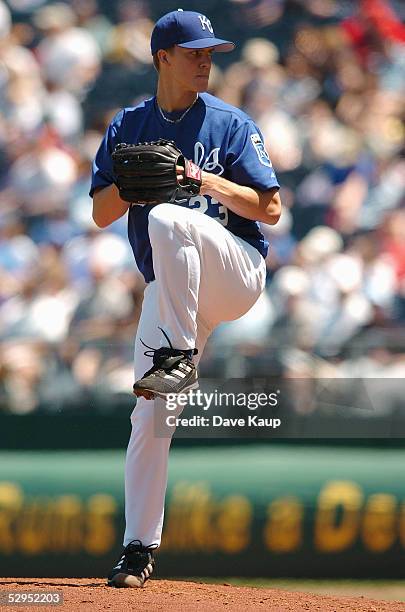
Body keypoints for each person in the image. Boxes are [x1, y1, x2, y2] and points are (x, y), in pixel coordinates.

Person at [90, 9, 281, 588]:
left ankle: (177, 362)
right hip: (173, 288)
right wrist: (129, 185)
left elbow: (270, 208)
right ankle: (138, 548)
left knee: (171, 219)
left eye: (210, 53)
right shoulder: (129, 124)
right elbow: (101, 213)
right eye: (195, 52)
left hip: (234, 272)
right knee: (150, 413)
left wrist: (204, 182)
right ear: (161, 59)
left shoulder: (228, 122)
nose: (206, 61)